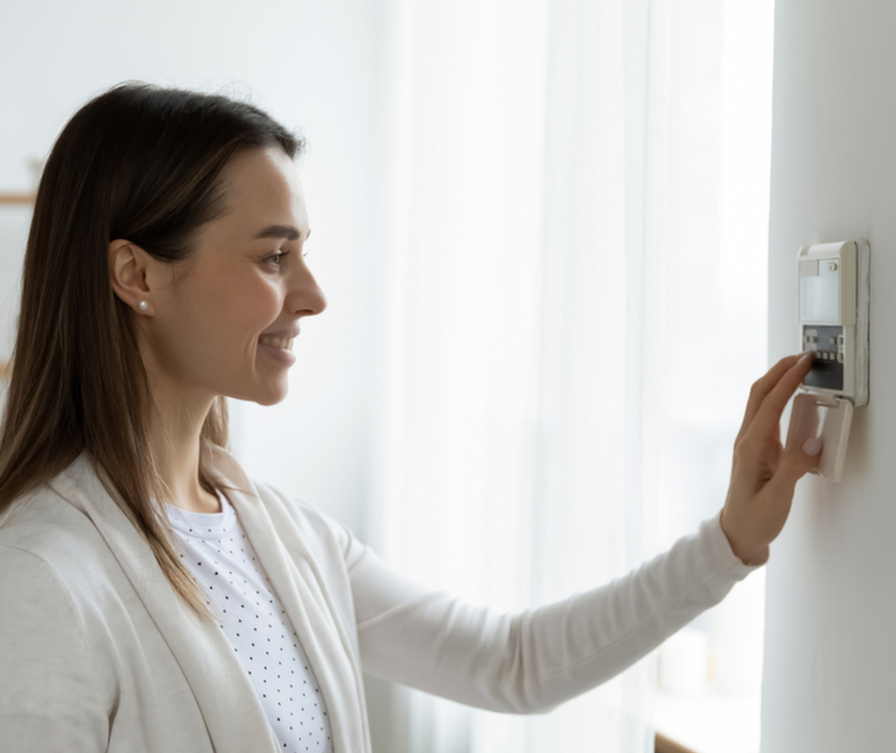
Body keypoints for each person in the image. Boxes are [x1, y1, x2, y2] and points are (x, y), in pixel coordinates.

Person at [0, 82, 821, 753]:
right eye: (273, 256)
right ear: (135, 274)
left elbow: (512, 661)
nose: (314, 295)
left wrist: (730, 542)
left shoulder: (279, 535)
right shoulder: (42, 579)